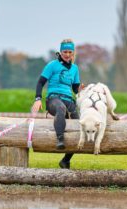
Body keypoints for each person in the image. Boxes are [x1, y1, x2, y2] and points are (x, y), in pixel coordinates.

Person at [31, 39, 80, 169]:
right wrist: (37, 99)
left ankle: (66, 160)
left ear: (73, 53)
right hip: (53, 99)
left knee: (79, 122)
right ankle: (60, 139)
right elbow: (40, 82)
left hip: (69, 99)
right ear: (60, 51)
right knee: (61, 108)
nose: (68, 54)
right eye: (65, 51)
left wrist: (81, 89)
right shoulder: (52, 65)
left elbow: (75, 89)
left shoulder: (75, 69)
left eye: (70, 52)